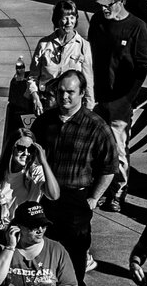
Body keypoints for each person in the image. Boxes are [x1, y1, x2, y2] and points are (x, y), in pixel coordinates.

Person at [26, 70, 120, 273]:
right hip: (45, 198)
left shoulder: (96, 127)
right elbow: (30, 155)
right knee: (42, 261)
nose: (64, 97)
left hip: (76, 202)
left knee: (74, 264)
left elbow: (110, 167)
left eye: (70, 92)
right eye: (60, 91)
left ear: (82, 93)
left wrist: (94, 198)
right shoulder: (45, 121)